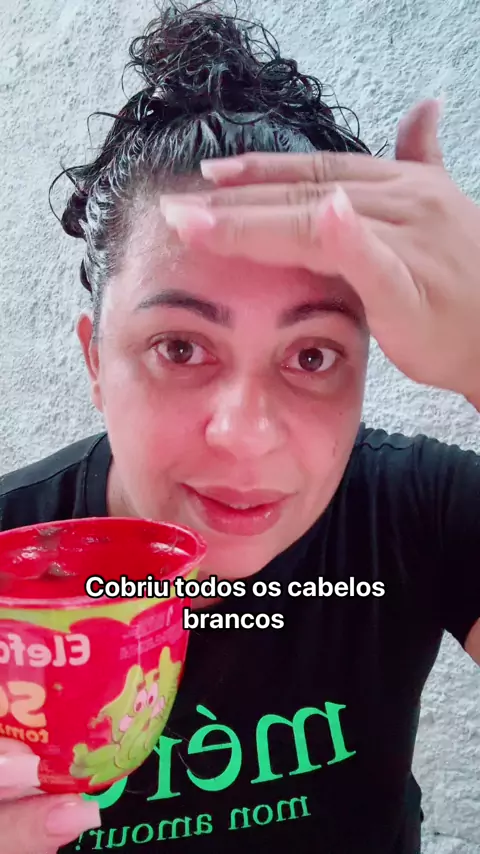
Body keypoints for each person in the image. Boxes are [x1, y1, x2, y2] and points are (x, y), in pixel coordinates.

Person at [0, 4, 479, 853]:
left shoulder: (418, 510)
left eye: (312, 355)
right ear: (96, 362)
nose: (245, 435)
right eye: (180, 347)